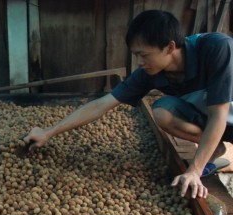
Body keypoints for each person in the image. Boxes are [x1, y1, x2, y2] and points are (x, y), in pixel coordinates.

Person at [24, 9, 233, 200]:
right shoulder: (150, 72)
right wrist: (48, 132)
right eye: (136, 55)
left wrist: (194, 170)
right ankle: (214, 148)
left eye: (143, 55)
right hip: (211, 117)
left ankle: (209, 151)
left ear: (169, 47)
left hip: (225, 115)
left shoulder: (217, 48)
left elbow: (219, 115)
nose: (139, 62)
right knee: (162, 111)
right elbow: (101, 105)